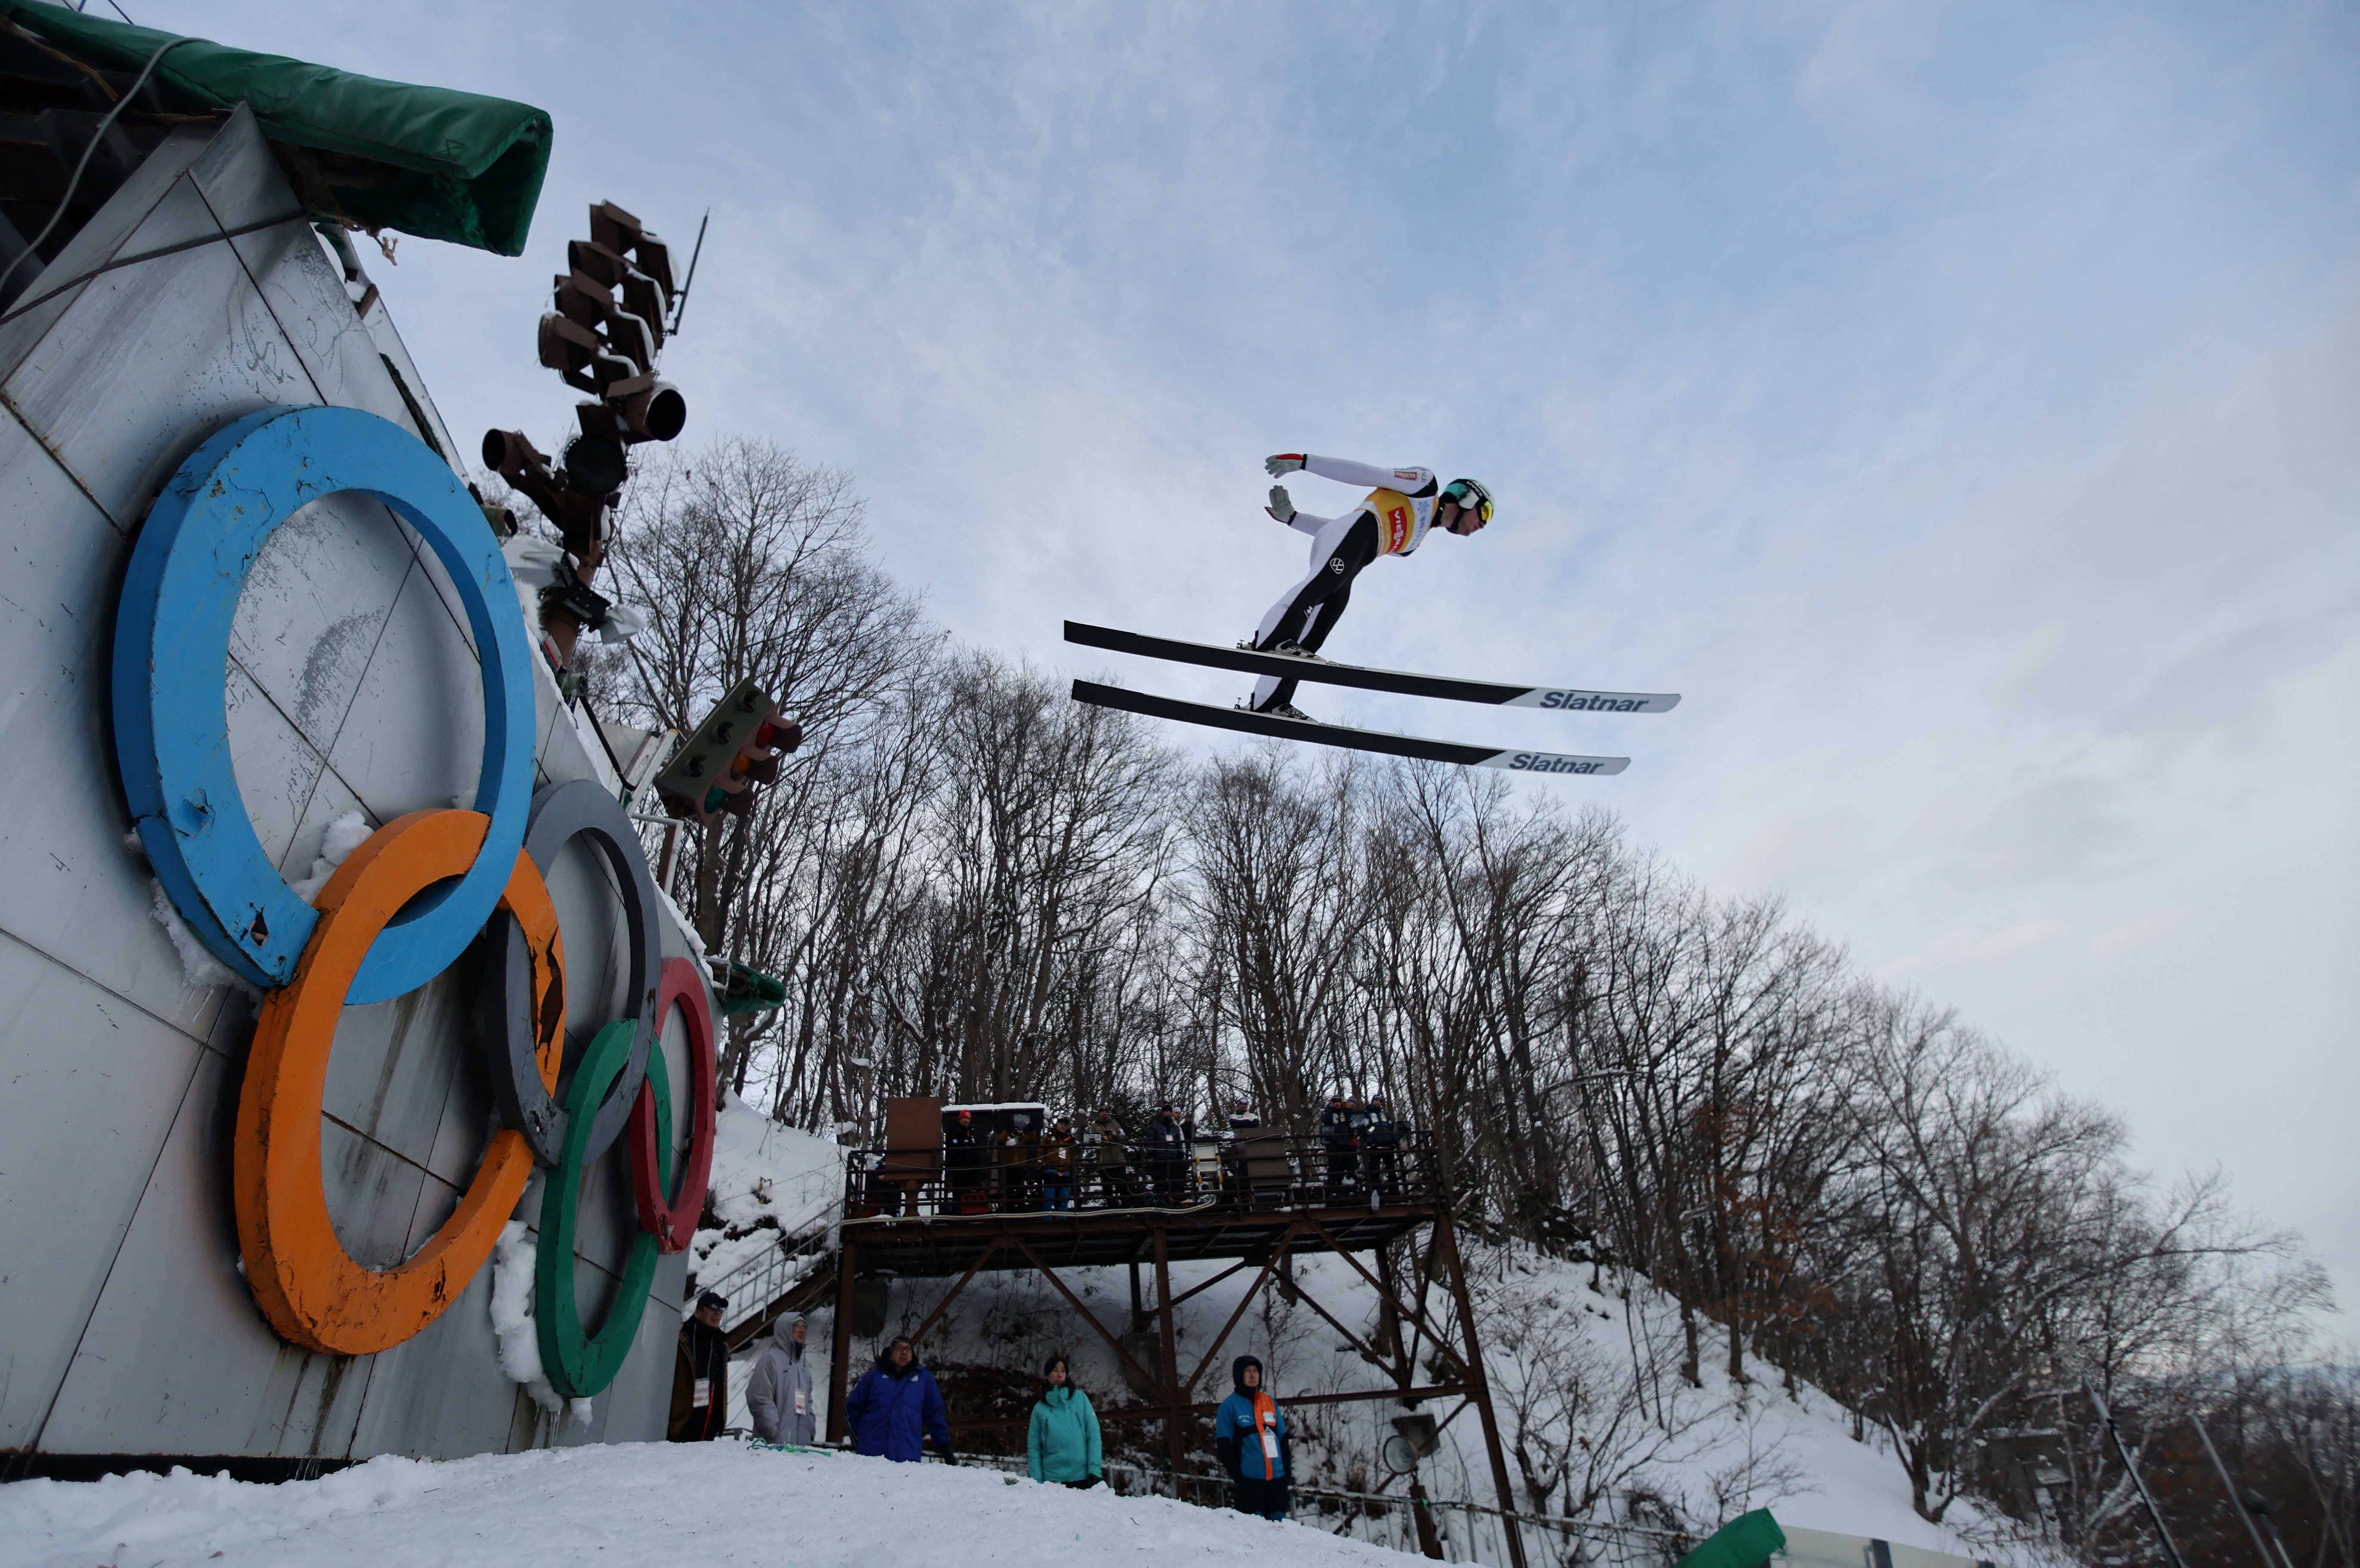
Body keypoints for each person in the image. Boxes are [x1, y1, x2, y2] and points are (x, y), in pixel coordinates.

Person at [1243, 454, 1493, 721]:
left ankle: (1269, 702)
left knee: (1315, 634)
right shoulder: (1424, 487)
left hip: (1351, 554)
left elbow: (1332, 530)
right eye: (1485, 512)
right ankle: (1270, 639)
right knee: (1316, 588)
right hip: (1349, 537)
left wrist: (1294, 519)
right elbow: (1366, 475)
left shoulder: (1411, 545)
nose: (1483, 524)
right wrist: (1305, 462)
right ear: (1468, 498)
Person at [843, 1336, 954, 1464]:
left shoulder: (925, 1380)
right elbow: (851, 1409)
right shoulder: (872, 1378)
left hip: (907, 1457)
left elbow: (935, 1414)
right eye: (899, 1349)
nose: (904, 1353)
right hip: (871, 1456)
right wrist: (861, 1441)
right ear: (890, 1354)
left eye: (908, 1349)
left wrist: (944, 1444)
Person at [1214, 1354, 1291, 1521]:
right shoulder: (1229, 1407)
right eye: (1248, 1371)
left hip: (1277, 1481)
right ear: (1239, 1376)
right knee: (1255, 1530)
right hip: (1251, 1482)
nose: (1253, 1375)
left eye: (1256, 1371)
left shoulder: (1270, 1402)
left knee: (1279, 1528)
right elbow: (1224, 1447)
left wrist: (1286, 1474)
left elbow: (1283, 1440)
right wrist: (1240, 1478)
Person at [1027, 1355, 1104, 1489]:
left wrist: (1095, 1470)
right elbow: (1034, 1447)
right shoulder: (1040, 1409)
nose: (1060, 1374)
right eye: (1055, 1370)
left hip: (1082, 1477)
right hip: (1053, 1480)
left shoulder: (1081, 1399)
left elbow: (1094, 1435)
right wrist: (1036, 1481)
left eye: (1063, 1370)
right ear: (1047, 1375)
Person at [668, 1290, 730, 1442]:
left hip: (709, 1424)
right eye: (713, 1308)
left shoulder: (721, 1345)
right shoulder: (683, 1341)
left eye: (721, 1310)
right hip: (682, 1423)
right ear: (698, 1312)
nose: (718, 1313)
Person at [1143, 1102, 1189, 1206]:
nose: (1168, 1113)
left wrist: (1181, 1153)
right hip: (1161, 1158)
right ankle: (1159, 1203)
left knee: (1176, 1181)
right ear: (1163, 1113)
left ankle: (1176, 1202)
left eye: (1170, 1111)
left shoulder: (1175, 1127)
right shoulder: (1156, 1125)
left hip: (1174, 1158)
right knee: (1161, 1181)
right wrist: (1152, 1152)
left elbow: (1179, 1142)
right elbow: (1150, 1139)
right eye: (1166, 1111)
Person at [1089, 1109, 1135, 1207]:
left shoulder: (1115, 1123)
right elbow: (1091, 1142)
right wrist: (1100, 1137)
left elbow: (1123, 1137)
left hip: (1118, 1160)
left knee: (1122, 1186)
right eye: (1103, 1112)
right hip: (1104, 1162)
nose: (1105, 1113)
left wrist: (1116, 1135)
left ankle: (1126, 1208)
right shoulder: (1094, 1126)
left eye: (1107, 1111)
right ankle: (1112, 1209)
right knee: (1107, 1189)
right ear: (1099, 1114)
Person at [945, 1108, 987, 1215]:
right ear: (960, 1119)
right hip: (960, 1170)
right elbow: (952, 1150)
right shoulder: (954, 1131)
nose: (966, 1121)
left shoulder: (971, 1132)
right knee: (960, 1192)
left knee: (972, 1190)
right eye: (964, 1118)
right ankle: (958, 1213)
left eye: (968, 1119)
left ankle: (972, 1211)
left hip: (972, 1169)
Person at [1362, 1098, 1402, 1200]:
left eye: (1380, 1101)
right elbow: (1367, 1129)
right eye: (1376, 1100)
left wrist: (1394, 1141)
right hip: (1375, 1146)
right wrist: (1371, 1142)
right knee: (1375, 1169)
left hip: (1387, 1145)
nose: (1378, 1102)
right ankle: (1377, 1192)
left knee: (1391, 1169)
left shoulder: (1385, 1115)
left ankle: (1395, 1191)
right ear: (1372, 1102)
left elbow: (1391, 1128)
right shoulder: (1368, 1114)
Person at [1040, 1116, 1077, 1211]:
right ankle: (1047, 1220)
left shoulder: (1070, 1141)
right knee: (1049, 1198)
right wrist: (1041, 1165)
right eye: (1061, 1124)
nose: (1063, 1127)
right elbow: (1040, 1153)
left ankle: (1063, 1218)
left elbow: (1073, 1157)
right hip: (1051, 1172)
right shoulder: (1048, 1139)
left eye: (1065, 1125)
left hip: (1065, 1172)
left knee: (1065, 1198)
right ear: (1057, 1125)